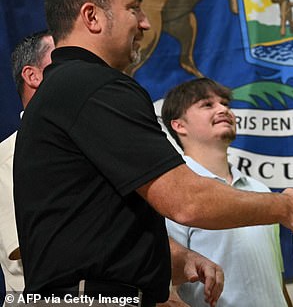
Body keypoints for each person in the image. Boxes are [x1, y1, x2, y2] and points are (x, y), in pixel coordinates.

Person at [13, 0, 293, 306]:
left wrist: (174, 257)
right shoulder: (95, 87)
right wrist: (285, 208)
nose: (145, 23)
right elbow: (187, 201)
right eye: (134, 8)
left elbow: (92, 226)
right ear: (92, 17)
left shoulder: (61, 92)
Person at [4, 32, 225, 307]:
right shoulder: (8, 157)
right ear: (33, 76)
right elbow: (61, 249)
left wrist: (179, 257)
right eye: (61, 57)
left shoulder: (104, 133)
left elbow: (117, 230)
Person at [161, 77, 291, 307]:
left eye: (225, 103)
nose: (223, 109)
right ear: (179, 125)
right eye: (207, 104)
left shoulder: (259, 190)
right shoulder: (173, 193)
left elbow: (275, 281)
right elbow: (165, 288)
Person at [0, 31, 53, 299]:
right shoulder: (8, 157)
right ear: (32, 76)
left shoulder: (97, 144)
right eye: (62, 65)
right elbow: (29, 249)